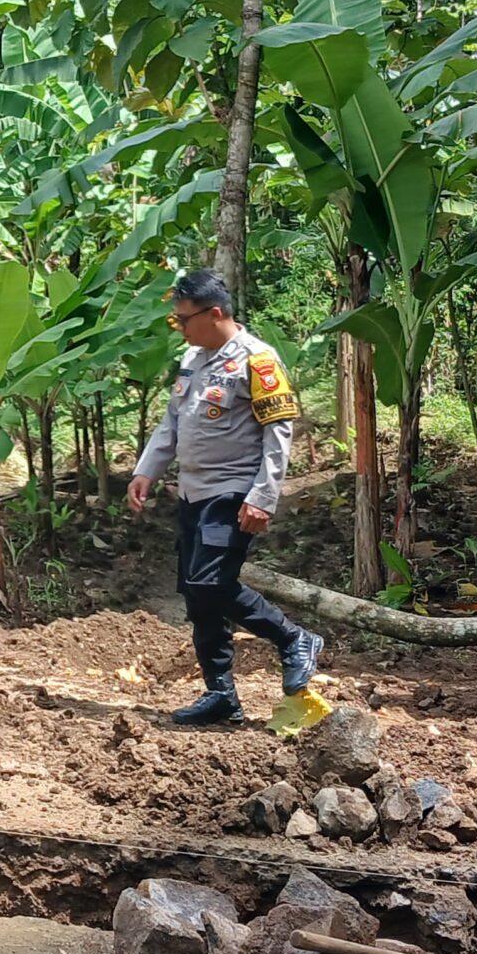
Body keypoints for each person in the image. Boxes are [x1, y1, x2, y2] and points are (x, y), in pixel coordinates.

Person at [127, 268, 323, 730]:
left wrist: (264, 496)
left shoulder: (258, 360)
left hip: (234, 492)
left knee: (210, 583)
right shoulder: (193, 358)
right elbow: (172, 421)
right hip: (193, 492)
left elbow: (279, 433)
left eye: (184, 319)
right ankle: (220, 695)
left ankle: (293, 638)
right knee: (198, 596)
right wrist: (146, 470)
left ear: (215, 313)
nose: (179, 327)